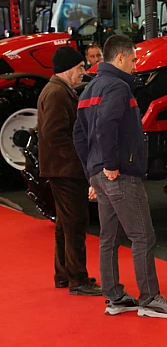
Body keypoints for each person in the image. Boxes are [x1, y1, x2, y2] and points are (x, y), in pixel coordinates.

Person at [73, 35, 167, 318]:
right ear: (120, 58)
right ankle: (150, 299)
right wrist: (109, 165)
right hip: (119, 174)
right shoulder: (117, 87)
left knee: (109, 237)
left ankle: (114, 297)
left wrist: (93, 171)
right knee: (143, 236)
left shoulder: (89, 89)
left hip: (101, 175)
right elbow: (106, 124)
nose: (135, 65)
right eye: (133, 60)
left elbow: (79, 135)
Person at [38, 46, 101, 296]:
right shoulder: (57, 94)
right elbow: (56, 136)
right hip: (65, 170)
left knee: (65, 224)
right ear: (68, 69)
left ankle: (64, 274)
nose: (83, 72)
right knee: (75, 223)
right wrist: (81, 163)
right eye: (80, 68)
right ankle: (78, 279)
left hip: (60, 168)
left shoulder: (56, 90)